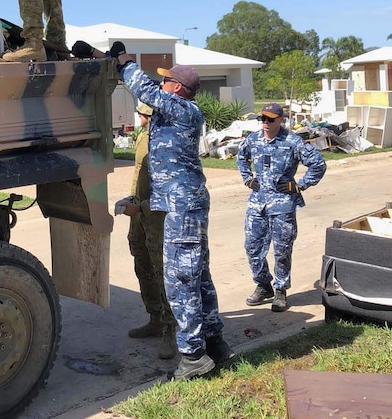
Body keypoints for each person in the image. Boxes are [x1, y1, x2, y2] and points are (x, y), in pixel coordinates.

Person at [71, 39, 232, 380]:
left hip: (182, 207)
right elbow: (143, 86)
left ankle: (193, 357)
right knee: (199, 276)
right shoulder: (171, 112)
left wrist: (126, 60)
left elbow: (143, 87)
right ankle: (214, 341)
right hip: (182, 204)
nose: (160, 83)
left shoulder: (184, 110)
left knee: (181, 279)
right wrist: (109, 58)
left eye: (165, 80)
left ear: (177, 88)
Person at [237, 102, 327, 312]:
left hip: (282, 206)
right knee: (252, 248)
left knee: (282, 250)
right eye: (263, 119)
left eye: (270, 119)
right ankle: (263, 285)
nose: (265, 123)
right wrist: (248, 179)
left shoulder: (293, 142)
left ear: (281, 120)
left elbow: (318, 164)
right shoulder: (253, 139)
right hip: (257, 204)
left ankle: (280, 290)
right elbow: (241, 158)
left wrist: (299, 185)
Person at [117, 102, 178, 360]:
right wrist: (131, 199)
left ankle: (170, 329)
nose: (139, 116)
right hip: (140, 215)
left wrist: (140, 206)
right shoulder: (143, 136)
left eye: (143, 112)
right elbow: (138, 174)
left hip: (156, 217)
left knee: (162, 272)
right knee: (142, 265)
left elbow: (171, 190)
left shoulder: (167, 142)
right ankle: (155, 317)